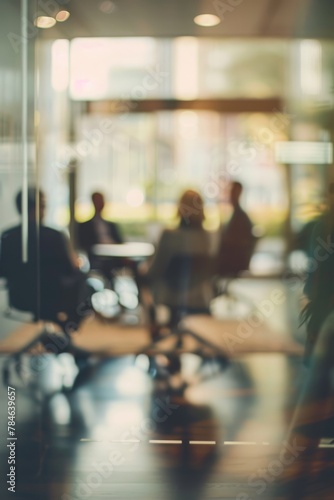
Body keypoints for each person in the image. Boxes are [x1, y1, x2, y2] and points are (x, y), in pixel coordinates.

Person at [0, 188, 92, 325]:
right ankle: (66, 331)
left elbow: (3, 271)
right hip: (55, 296)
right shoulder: (55, 236)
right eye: (43, 205)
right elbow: (70, 269)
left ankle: (58, 333)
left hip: (19, 297)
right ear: (39, 207)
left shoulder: (7, 236)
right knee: (88, 283)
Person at [145, 189, 214, 324]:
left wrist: (143, 272)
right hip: (200, 292)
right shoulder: (208, 237)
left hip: (172, 292)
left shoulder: (170, 235)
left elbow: (156, 269)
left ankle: (153, 326)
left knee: (141, 278)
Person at [76, 192, 123, 276]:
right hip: (96, 258)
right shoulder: (84, 226)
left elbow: (120, 241)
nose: (100, 203)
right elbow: (83, 245)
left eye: (101, 201)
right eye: (97, 201)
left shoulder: (111, 225)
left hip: (114, 256)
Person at [216, 181, 255, 275]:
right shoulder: (238, 215)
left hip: (234, 261)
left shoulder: (240, 217)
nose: (231, 195)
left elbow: (235, 241)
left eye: (233, 191)